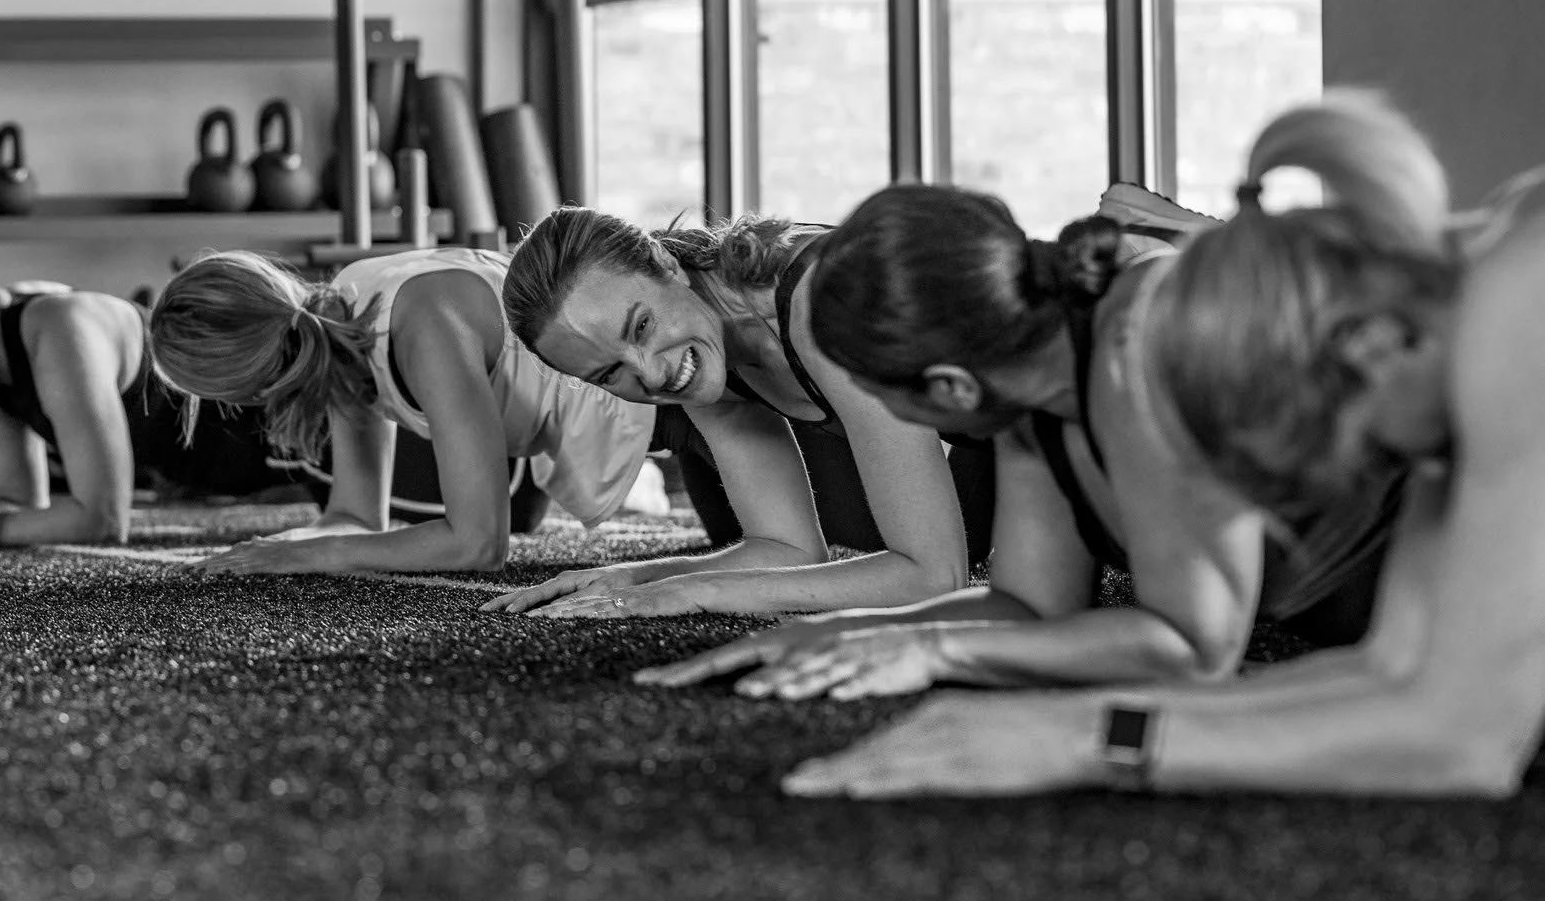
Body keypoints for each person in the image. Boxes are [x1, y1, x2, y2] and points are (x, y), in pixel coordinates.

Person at [785, 94, 1545, 797]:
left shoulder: (1514, 302)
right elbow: (1392, 667)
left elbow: (1466, 739)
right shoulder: (1456, 315)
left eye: (1362, 446)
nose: (1381, 470)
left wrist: (1089, 740)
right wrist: (1073, 722)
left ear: (1373, 345)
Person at [645, 181, 1400, 700]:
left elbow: (1193, 648)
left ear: (948, 389)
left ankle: (1207, 246)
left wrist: (933, 651)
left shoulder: (1134, 350)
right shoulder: (1028, 393)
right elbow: (1033, 609)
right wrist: (841, 629)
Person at [481, 209, 994, 620]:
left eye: (640, 327)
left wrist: (697, 593)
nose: (652, 375)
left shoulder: (823, 302)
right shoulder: (703, 349)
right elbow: (786, 547)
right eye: (610, 374)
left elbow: (932, 575)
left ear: (665, 264)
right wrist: (642, 579)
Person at [145, 246, 658, 576]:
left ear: (253, 385)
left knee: (735, 561)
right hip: (631, 411)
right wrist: (281, 547)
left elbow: (479, 544)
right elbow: (354, 515)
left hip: (669, 409)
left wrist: (314, 555)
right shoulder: (335, 323)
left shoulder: (417, 326)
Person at [0, 261, 291, 548]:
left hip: (289, 437)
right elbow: (14, 500)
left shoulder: (58, 329)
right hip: (222, 473)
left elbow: (102, 520)